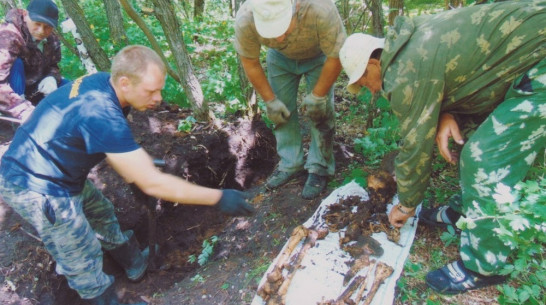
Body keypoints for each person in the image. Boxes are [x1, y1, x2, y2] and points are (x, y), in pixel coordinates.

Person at [0, 45, 255, 305]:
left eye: (160, 89)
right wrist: (219, 197)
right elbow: (153, 182)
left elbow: (112, 146)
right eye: (151, 91)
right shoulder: (100, 111)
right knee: (80, 254)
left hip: (60, 168)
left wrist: (136, 172)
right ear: (124, 82)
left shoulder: (104, 84)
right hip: (34, 183)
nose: (158, 98)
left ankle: (134, 263)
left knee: (101, 212)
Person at [339, 0, 545, 295]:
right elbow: (456, 71)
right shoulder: (410, 39)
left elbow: (415, 146)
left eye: (365, 80)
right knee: (467, 136)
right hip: (523, 58)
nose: (371, 90)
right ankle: (465, 213)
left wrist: (407, 204)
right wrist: (447, 113)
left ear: (374, 63)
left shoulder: (402, 73)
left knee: (484, 158)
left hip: (539, 64)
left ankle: (483, 266)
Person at [234, 0, 346, 199]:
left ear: (296, 8)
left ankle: (319, 166)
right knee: (281, 112)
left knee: (321, 112)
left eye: (282, 27)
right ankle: (290, 163)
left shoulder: (320, 8)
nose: (279, 37)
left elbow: (336, 55)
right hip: (279, 59)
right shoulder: (246, 18)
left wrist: (318, 95)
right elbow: (250, 62)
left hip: (319, 55)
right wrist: (270, 100)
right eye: (270, 30)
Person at [0, 0, 66, 122]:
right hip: (11, 95)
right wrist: (24, 110)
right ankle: (17, 123)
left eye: (47, 27)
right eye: (37, 23)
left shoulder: (52, 40)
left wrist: (52, 77)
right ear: (25, 15)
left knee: (73, 88)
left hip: (35, 89)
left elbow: (53, 66)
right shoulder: (7, 36)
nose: (41, 30)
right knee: (17, 64)